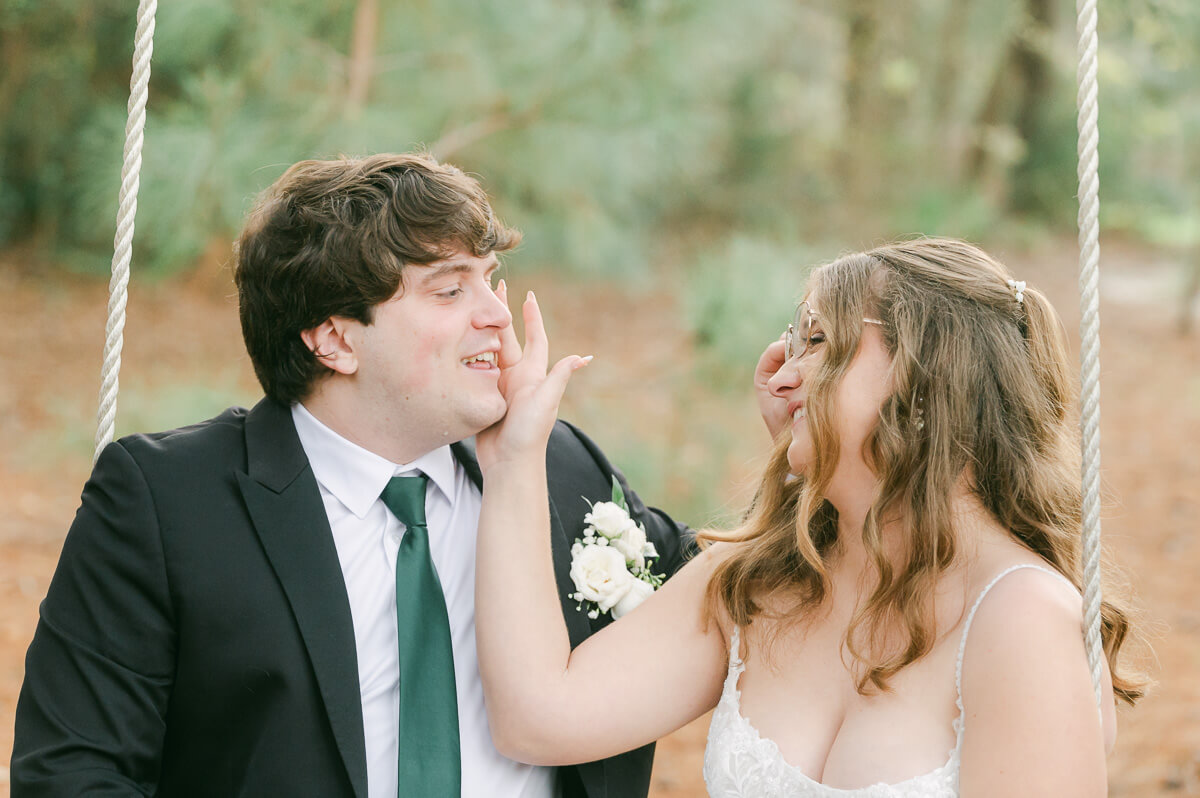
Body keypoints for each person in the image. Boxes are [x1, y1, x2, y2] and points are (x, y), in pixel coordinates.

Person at [11, 152, 694, 798]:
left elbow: (740, 587)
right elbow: (73, 771)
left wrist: (799, 436)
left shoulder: (555, 463)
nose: (494, 313)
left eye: (489, 280)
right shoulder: (165, 503)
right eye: (450, 289)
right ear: (336, 339)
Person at [474, 238, 1143, 796]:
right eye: (792, 342)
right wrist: (513, 459)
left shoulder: (1021, 617)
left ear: (924, 376)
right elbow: (540, 718)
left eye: (817, 341)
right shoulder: (758, 582)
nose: (782, 374)